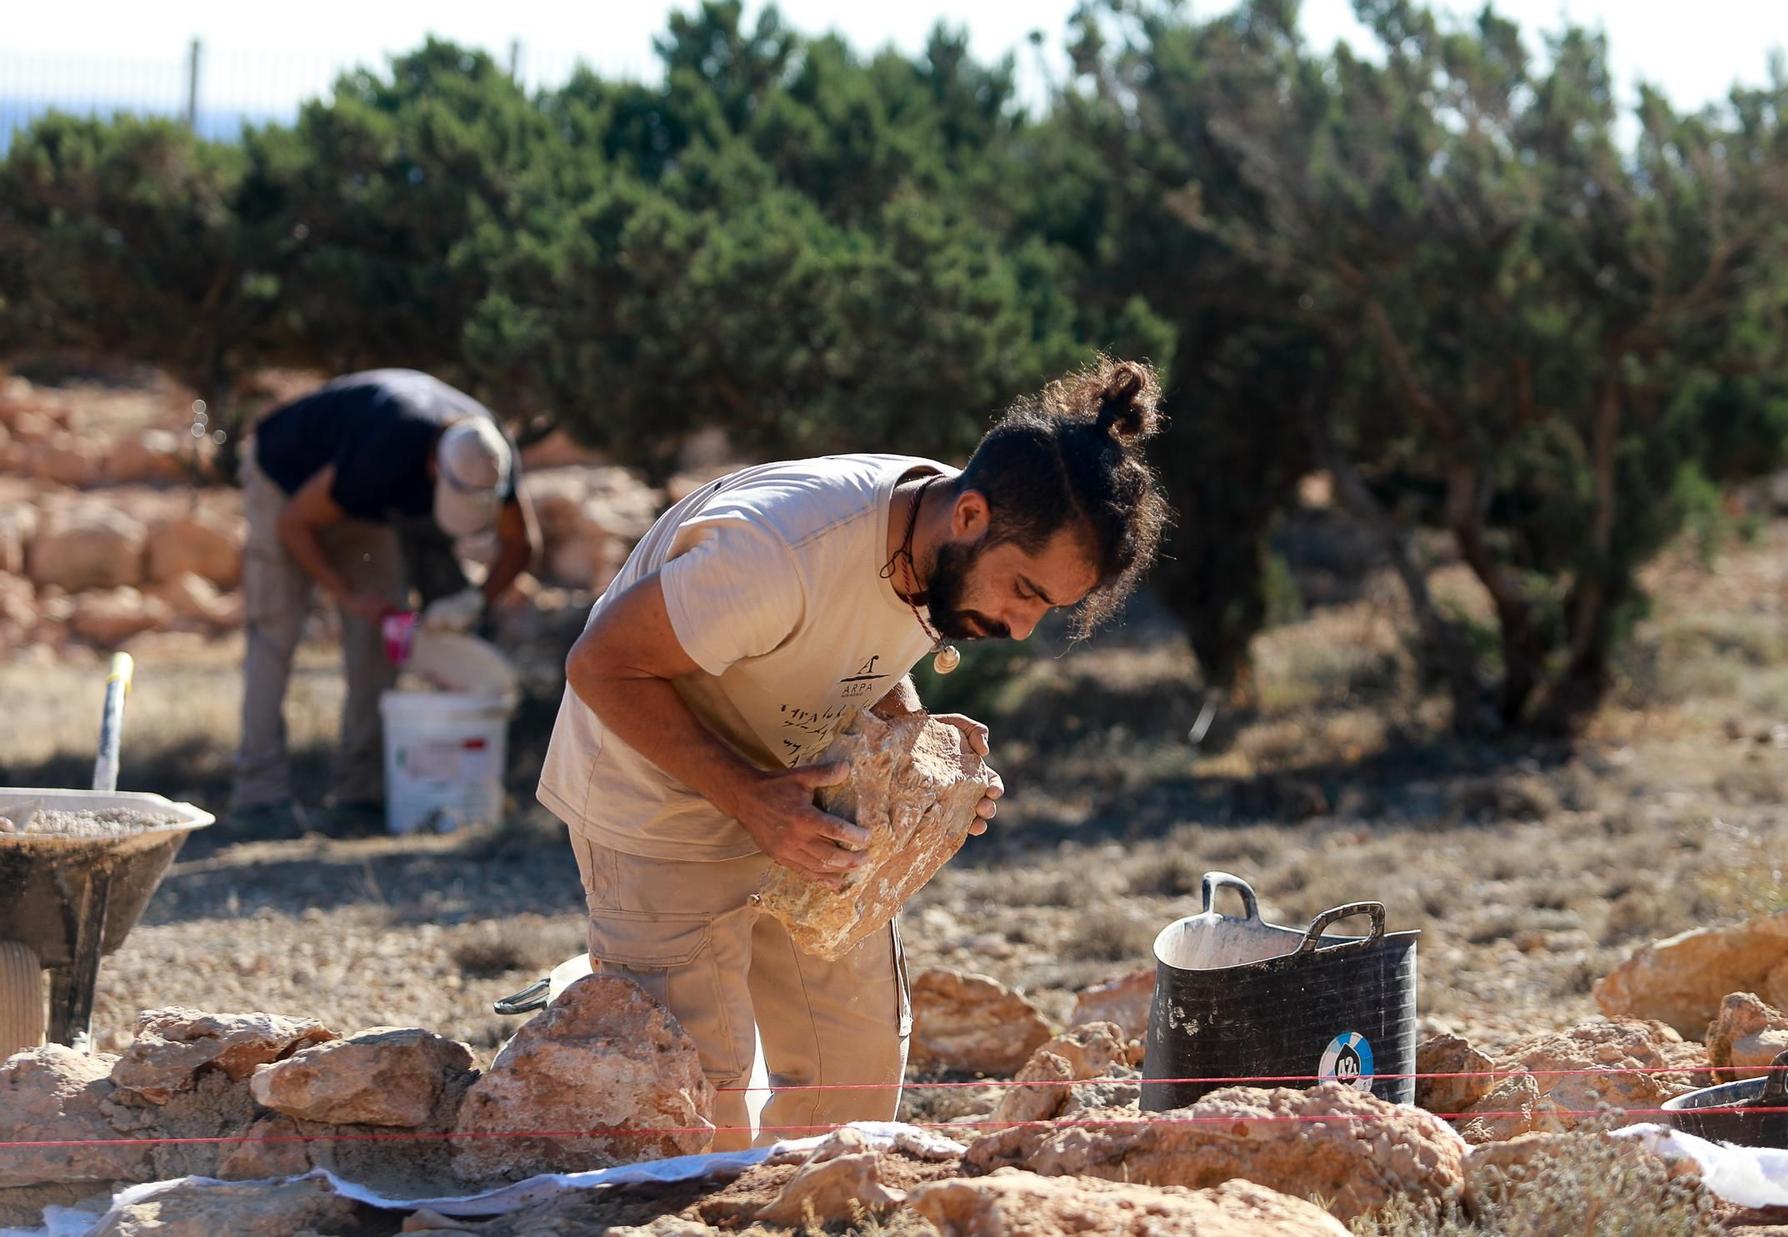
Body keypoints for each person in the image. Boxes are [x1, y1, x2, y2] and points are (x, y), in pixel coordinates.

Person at [541, 358, 1168, 1147]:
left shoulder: (945, 531)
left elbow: (863, 648)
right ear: (970, 515)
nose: (1018, 628)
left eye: (1047, 607)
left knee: (856, 1078)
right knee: (697, 1112)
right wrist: (751, 798)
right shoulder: (777, 551)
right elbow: (601, 663)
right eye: (1025, 592)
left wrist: (916, 764)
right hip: (654, 802)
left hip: (801, 798)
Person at [233, 368, 540, 824]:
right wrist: (346, 596)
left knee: (379, 637)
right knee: (275, 631)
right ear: (435, 467)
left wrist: (475, 601)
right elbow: (294, 524)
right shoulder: (385, 448)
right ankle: (259, 797)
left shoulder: (491, 454)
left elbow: (521, 544)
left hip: (358, 495)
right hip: (284, 480)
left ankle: (361, 793)